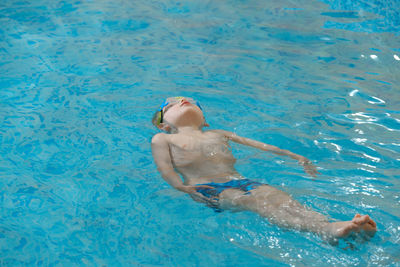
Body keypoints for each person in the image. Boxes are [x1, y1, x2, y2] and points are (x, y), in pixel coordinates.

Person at [151, 96, 377, 241]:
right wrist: (182, 187)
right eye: (171, 104)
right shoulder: (162, 139)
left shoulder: (218, 134)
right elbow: (165, 168)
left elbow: (262, 146)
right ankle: (324, 232)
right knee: (252, 202)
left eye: (191, 101)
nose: (182, 101)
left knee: (281, 198)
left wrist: (295, 156)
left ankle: (340, 227)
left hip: (241, 180)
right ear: (164, 124)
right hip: (207, 188)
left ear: (205, 120)